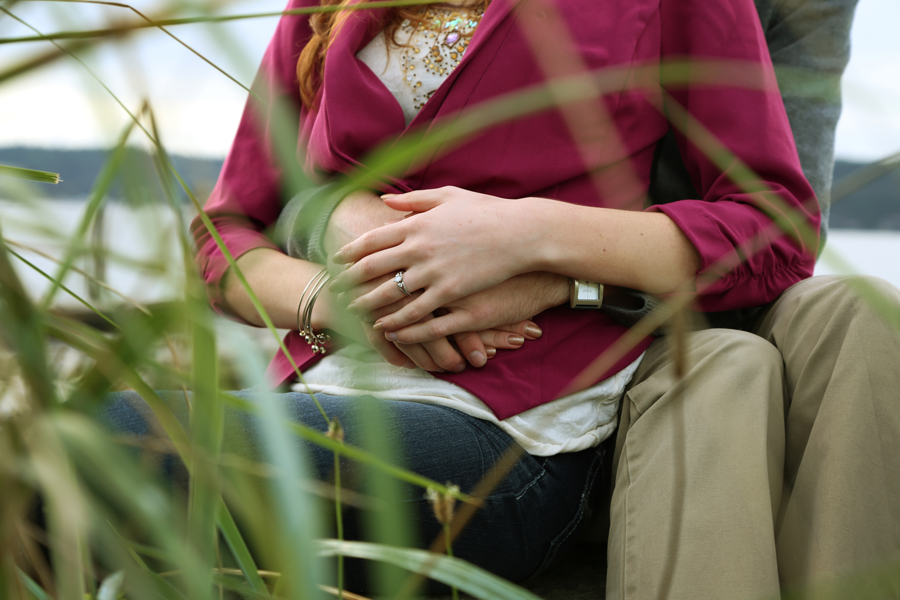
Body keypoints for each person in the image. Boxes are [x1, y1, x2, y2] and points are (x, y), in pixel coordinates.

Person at [184, 0, 900, 598]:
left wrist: (530, 239)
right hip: (309, 388)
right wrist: (338, 296)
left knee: (131, 440)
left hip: (506, 424)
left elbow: (774, 229)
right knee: (129, 431)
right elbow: (223, 235)